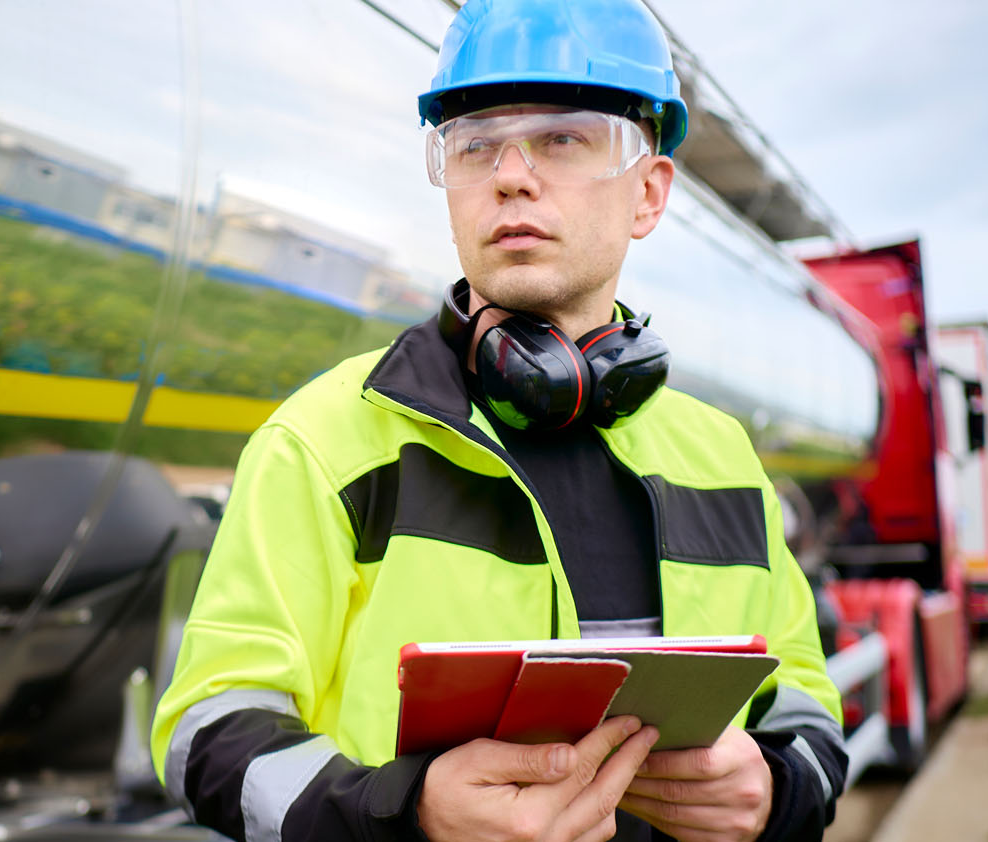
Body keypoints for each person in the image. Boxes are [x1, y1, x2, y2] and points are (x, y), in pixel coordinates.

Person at [150, 1, 847, 840]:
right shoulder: (325, 439)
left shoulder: (721, 458)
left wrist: (776, 791)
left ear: (649, 193)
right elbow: (207, 727)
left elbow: (805, 698)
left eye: (563, 138)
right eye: (475, 144)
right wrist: (406, 815)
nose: (511, 174)